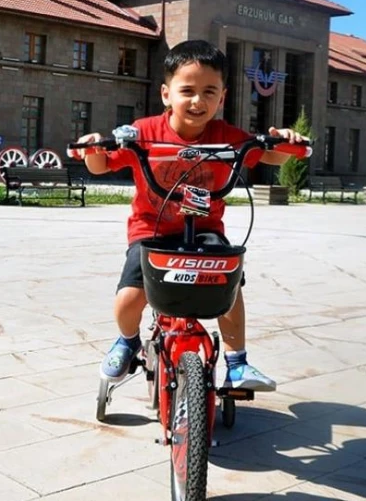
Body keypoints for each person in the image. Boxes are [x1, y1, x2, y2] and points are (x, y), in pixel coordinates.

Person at [69, 39, 308, 391]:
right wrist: (92, 148)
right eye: (188, 90)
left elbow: (270, 156)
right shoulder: (145, 132)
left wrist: (284, 142)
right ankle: (127, 340)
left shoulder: (227, 137)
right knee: (130, 297)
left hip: (205, 229)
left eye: (209, 91)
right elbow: (101, 164)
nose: (198, 101)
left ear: (222, 97)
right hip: (151, 229)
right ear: (166, 94)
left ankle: (237, 362)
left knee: (229, 286)